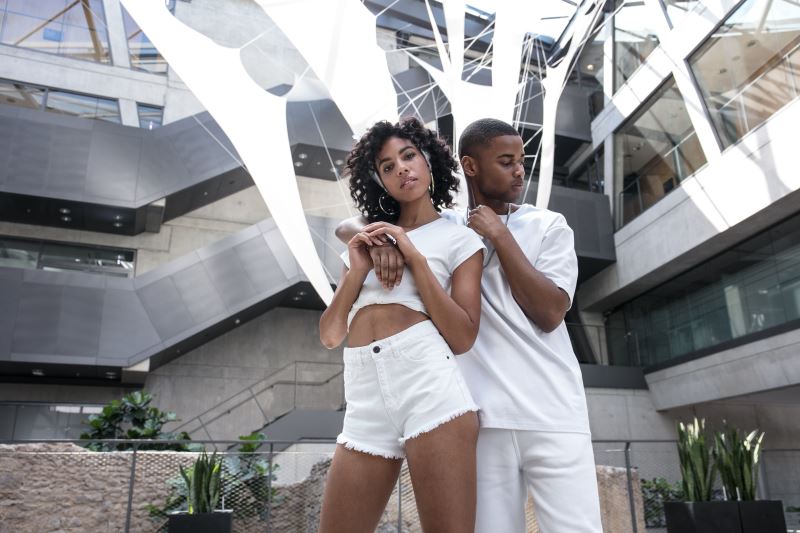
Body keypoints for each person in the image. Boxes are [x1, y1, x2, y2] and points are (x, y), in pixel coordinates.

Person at [336, 118, 603, 532]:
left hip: (551, 411)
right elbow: (350, 226)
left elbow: (550, 313)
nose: (519, 171)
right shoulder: (447, 226)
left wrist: (500, 236)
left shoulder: (548, 225)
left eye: (522, 161)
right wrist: (383, 241)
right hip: (480, 416)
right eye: (507, 161)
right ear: (471, 166)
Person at [318, 117, 486, 533]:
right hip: (363, 396)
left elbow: (463, 336)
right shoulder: (369, 241)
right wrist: (360, 266)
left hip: (428, 388)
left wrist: (414, 256)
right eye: (388, 166)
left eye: (408, 156)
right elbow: (330, 335)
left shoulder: (460, 239)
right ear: (379, 180)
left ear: (429, 161)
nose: (402, 169)